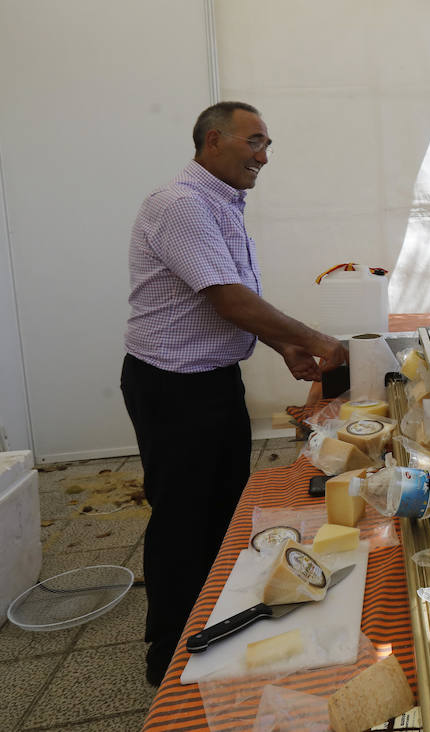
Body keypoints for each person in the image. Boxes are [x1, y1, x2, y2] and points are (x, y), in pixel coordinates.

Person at [121, 101, 348, 686]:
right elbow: (229, 298)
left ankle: (213, 629)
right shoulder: (180, 204)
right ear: (213, 140)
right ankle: (168, 656)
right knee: (183, 519)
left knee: (222, 512)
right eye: (255, 142)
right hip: (173, 389)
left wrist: (282, 347)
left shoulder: (221, 204)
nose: (264, 157)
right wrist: (318, 340)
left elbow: (225, 304)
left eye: (266, 145)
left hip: (213, 382)